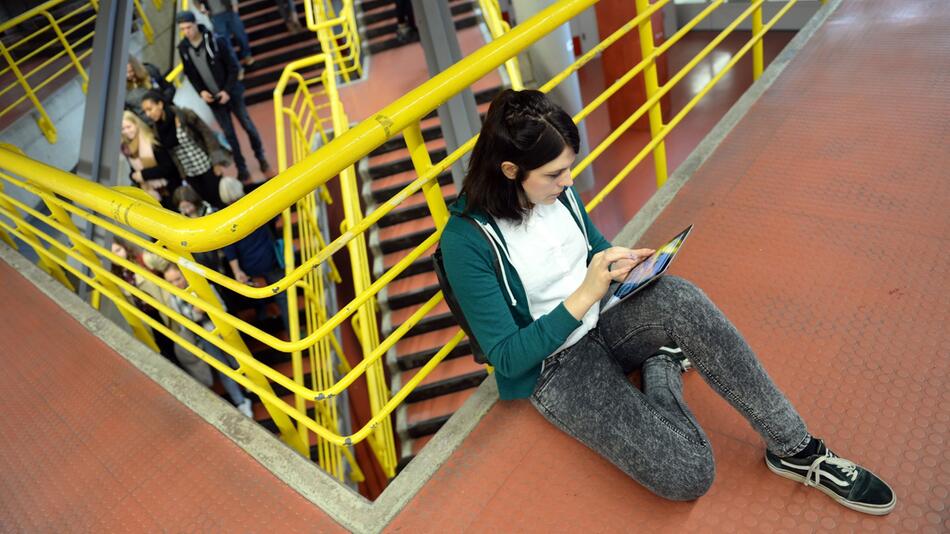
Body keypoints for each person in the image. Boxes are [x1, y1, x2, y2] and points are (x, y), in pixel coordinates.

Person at [439, 89, 896, 515]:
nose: (569, 180)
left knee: (680, 297)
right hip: (556, 367)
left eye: (569, 167)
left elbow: (593, 247)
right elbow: (506, 357)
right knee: (689, 474)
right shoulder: (466, 242)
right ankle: (661, 369)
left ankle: (796, 449)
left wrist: (619, 262)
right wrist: (584, 295)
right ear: (510, 171)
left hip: (605, 316)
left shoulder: (557, 194)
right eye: (556, 174)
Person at [177, 11, 270, 183]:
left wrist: (227, 91)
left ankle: (261, 157)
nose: (187, 32)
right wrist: (201, 92)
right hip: (213, 100)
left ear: (196, 24)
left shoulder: (216, 40)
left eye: (189, 27)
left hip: (231, 93)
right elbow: (190, 74)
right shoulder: (183, 48)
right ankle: (242, 168)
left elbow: (234, 67)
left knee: (247, 126)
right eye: (183, 29)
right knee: (229, 135)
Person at [163, 264, 254, 417]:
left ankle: (251, 386)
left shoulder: (203, 287)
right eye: (170, 282)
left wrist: (201, 311)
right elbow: (185, 324)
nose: (175, 284)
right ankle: (240, 402)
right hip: (205, 338)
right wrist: (197, 312)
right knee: (223, 369)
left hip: (223, 331)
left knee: (238, 360)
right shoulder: (174, 299)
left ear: (185, 275)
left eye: (178, 279)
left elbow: (222, 307)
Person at [219, 177, 290, 335]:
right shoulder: (255, 206)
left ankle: (266, 323)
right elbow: (275, 215)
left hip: (249, 266)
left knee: (258, 297)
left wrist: (237, 271)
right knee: (283, 297)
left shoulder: (226, 218)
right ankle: (292, 332)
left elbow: (229, 249)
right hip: (269, 259)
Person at [140, 90, 229, 208]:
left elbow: (208, 136)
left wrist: (216, 162)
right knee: (208, 203)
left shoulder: (184, 115)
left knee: (221, 199)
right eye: (145, 111)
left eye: (150, 109)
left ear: (160, 104)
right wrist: (184, 176)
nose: (148, 114)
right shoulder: (157, 130)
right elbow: (172, 154)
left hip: (207, 165)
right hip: (189, 173)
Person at [120, 110, 182, 210]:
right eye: (123, 129)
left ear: (136, 124)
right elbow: (134, 170)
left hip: (170, 190)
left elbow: (169, 168)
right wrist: (133, 176)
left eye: (129, 127)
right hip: (152, 194)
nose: (126, 131)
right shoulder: (127, 148)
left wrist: (143, 175)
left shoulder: (152, 141)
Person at [196, 1, 253, 67]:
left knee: (240, 35)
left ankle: (247, 55)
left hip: (229, 10)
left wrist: (235, 4)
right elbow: (195, 1)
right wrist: (200, 8)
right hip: (215, 16)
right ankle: (237, 67)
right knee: (226, 43)